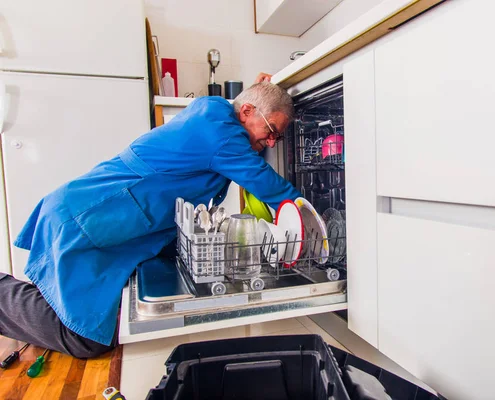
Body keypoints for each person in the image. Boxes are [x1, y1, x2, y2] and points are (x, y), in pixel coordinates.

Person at [0, 73, 302, 358]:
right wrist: (308, 215)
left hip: (99, 212)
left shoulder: (217, 110)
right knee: (85, 338)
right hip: (90, 216)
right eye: (272, 131)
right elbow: (268, 184)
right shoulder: (224, 137)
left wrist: (261, 97)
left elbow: (248, 124)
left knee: (90, 304)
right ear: (247, 110)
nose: (273, 142)